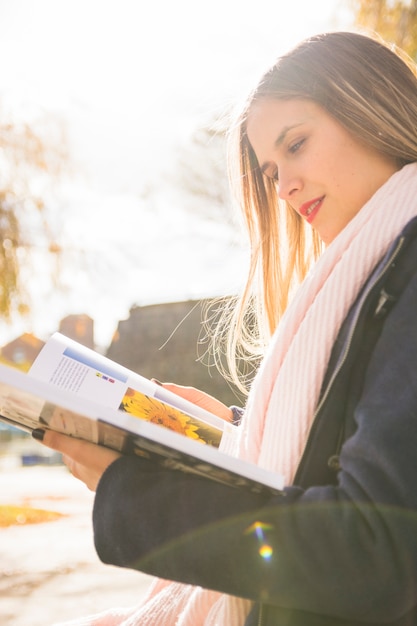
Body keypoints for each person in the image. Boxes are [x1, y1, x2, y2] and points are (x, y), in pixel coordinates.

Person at [33, 30, 417, 625]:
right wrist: (223, 438)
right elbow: (354, 452)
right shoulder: (379, 272)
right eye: (270, 170)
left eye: (296, 144)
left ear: (371, 110)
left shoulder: (406, 276)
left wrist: (133, 491)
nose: (284, 186)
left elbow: (374, 553)